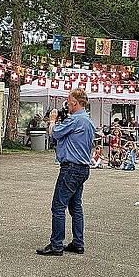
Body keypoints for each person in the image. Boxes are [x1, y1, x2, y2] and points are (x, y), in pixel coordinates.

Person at [36, 89, 95, 256]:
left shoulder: (75, 120)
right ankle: (78, 242)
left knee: (58, 206)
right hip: (83, 167)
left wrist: (53, 120)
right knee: (75, 206)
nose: (67, 104)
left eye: (69, 101)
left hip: (71, 168)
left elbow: (54, 133)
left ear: (75, 102)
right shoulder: (88, 121)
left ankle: (56, 244)